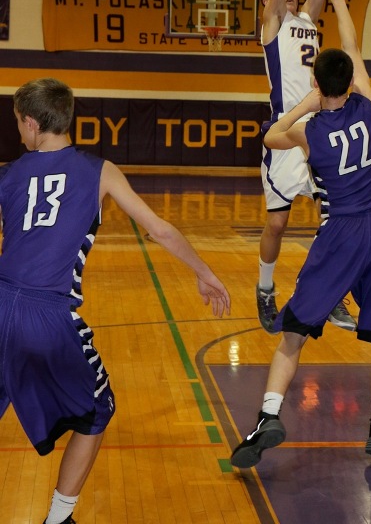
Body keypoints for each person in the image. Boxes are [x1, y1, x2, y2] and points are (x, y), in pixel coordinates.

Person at [0, 78, 231, 524]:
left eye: (17, 123)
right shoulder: (99, 170)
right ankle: (58, 517)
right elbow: (159, 229)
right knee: (98, 408)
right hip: (48, 315)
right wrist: (204, 272)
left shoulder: (9, 174)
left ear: (31, 123)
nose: (18, 131)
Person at [231, 0, 371, 469]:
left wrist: (305, 105)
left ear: (316, 80)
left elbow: (270, 137)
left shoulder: (310, 134)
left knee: (294, 331)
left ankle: (268, 416)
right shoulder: (369, 106)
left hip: (342, 232)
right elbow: (351, 46)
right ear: (350, 80)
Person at [257, 0, 356, 334]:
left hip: (317, 127)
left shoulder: (309, 21)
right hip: (285, 129)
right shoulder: (272, 26)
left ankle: (329, 293)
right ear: (270, 2)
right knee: (277, 223)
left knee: (333, 218)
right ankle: (265, 288)